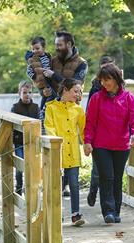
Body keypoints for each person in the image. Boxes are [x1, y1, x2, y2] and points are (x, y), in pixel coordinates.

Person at [84, 64, 134, 224]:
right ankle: (108, 212)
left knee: (117, 178)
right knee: (107, 177)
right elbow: (90, 122)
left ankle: (116, 211)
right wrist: (87, 141)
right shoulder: (96, 98)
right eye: (102, 80)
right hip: (101, 145)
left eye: (107, 79)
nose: (104, 83)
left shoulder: (129, 98)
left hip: (122, 144)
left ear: (116, 79)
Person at [43, 31, 88, 196]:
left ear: (69, 45)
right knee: (51, 142)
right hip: (52, 106)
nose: (56, 48)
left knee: (69, 142)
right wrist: (44, 89)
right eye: (55, 45)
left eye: (59, 45)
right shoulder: (52, 61)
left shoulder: (82, 64)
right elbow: (42, 78)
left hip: (71, 108)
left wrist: (54, 75)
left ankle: (67, 183)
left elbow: (75, 83)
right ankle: (53, 185)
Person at [44, 78, 86, 226]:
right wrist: (55, 142)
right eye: (76, 91)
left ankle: (76, 215)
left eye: (80, 91)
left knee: (74, 184)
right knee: (58, 184)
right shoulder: (50, 107)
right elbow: (49, 126)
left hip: (73, 152)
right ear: (65, 90)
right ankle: (57, 214)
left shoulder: (78, 109)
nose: (78, 94)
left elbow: (83, 130)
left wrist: (87, 144)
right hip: (57, 151)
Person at [86, 55, 115, 207]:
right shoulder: (95, 88)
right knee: (97, 170)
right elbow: (89, 113)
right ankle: (93, 190)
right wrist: (88, 138)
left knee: (112, 172)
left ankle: (110, 204)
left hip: (116, 136)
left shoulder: (119, 88)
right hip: (99, 135)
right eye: (104, 68)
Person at [11, 81, 39, 195]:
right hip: (19, 141)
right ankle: (18, 187)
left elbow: (38, 123)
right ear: (19, 93)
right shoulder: (15, 107)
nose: (27, 95)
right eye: (24, 92)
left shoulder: (35, 107)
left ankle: (29, 188)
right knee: (20, 166)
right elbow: (11, 124)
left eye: (30, 92)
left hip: (32, 142)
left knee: (31, 166)